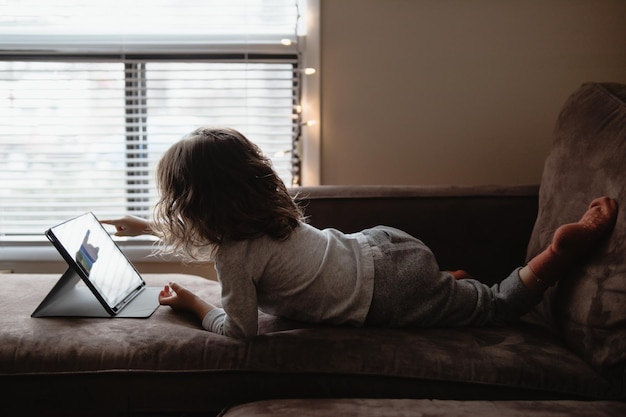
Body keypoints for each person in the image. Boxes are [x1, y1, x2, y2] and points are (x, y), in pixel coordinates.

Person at [101, 127, 619, 339]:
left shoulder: (235, 257)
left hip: (385, 294)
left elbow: (241, 333)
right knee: (455, 291)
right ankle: (446, 285)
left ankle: (556, 254)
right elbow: (210, 235)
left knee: (496, 307)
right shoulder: (266, 214)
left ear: (193, 203)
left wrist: (194, 305)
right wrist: (141, 225)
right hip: (384, 246)